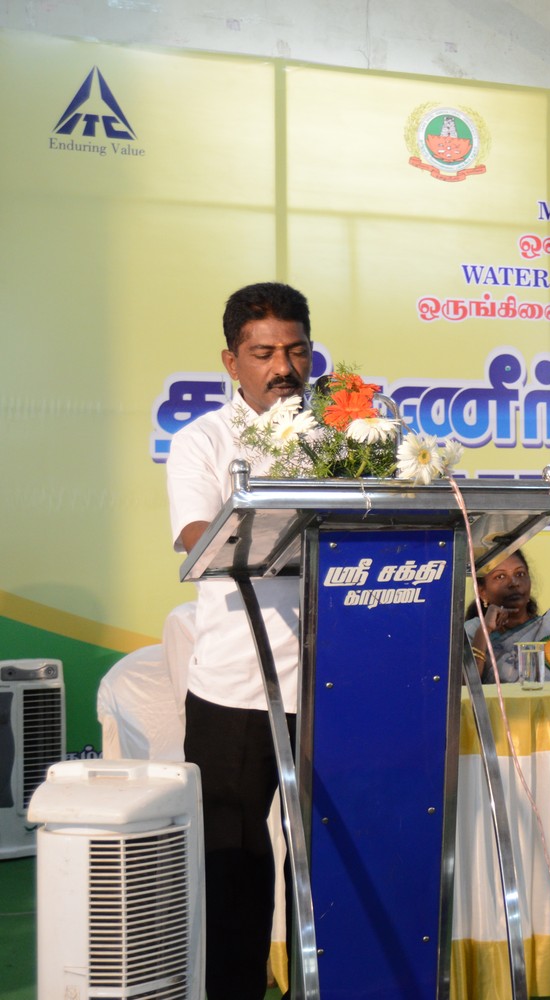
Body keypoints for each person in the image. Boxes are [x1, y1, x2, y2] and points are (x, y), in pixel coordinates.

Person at [165, 281, 310, 999]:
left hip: (337, 680)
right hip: (235, 687)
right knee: (235, 864)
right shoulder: (203, 439)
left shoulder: (343, 437)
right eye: (264, 353)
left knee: (328, 861)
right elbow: (198, 537)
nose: (283, 367)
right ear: (232, 361)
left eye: (296, 350)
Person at [466, 547, 550, 680]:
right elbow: (462, 687)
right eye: (500, 576)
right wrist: (484, 632)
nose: (514, 583)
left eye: (520, 574)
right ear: (482, 592)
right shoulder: (471, 631)